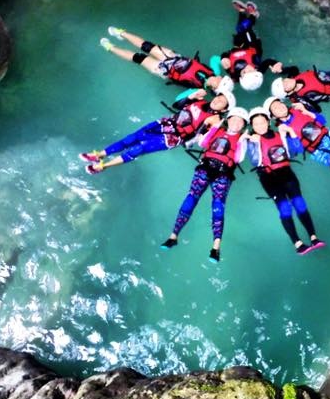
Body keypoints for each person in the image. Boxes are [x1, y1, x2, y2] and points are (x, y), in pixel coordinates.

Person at [161, 107, 249, 263]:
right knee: (191, 198)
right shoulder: (217, 130)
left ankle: (215, 247)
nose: (236, 122)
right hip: (205, 168)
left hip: (223, 173)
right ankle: (173, 236)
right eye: (234, 119)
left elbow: (238, 158)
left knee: (218, 205)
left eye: (240, 121)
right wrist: (215, 126)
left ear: (243, 125)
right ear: (228, 120)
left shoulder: (242, 139)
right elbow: (202, 143)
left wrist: (243, 141)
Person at [82, 88, 235, 174]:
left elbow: (198, 141)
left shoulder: (216, 121)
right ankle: (99, 155)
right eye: (218, 97)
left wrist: (207, 126)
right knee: (132, 138)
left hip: (175, 137)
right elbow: (177, 106)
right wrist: (191, 96)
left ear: (225, 109)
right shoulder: (200, 100)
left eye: (222, 101)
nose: (217, 100)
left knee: (140, 148)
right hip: (166, 123)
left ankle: (102, 166)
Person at [246, 106, 324, 255]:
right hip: (268, 177)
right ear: (252, 126)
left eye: (262, 122)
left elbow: (298, 151)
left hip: (287, 173)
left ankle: (314, 237)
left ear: (268, 122)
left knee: (300, 203)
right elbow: (255, 161)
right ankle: (298, 243)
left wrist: (291, 132)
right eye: (256, 124)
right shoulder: (252, 140)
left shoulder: (280, 134)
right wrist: (255, 144)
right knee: (285, 208)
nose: (260, 126)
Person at [100, 27, 233, 94]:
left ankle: (111, 48)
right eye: (223, 78)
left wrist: (193, 96)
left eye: (222, 81)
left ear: (216, 87)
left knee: (138, 57)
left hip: (164, 70)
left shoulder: (197, 88)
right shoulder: (213, 71)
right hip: (174, 58)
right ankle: (121, 33)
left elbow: (178, 100)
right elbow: (214, 59)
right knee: (147, 46)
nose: (221, 77)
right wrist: (224, 60)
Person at [219, 0, 284, 92]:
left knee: (240, 30)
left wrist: (223, 58)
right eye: (252, 71)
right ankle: (253, 14)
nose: (248, 69)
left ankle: (242, 12)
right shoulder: (259, 69)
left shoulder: (233, 73)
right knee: (242, 28)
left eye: (244, 72)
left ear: (241, 76)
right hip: (252, 44)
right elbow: (268, 62)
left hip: (237, 47)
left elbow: (225, 54)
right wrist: (276, 64)